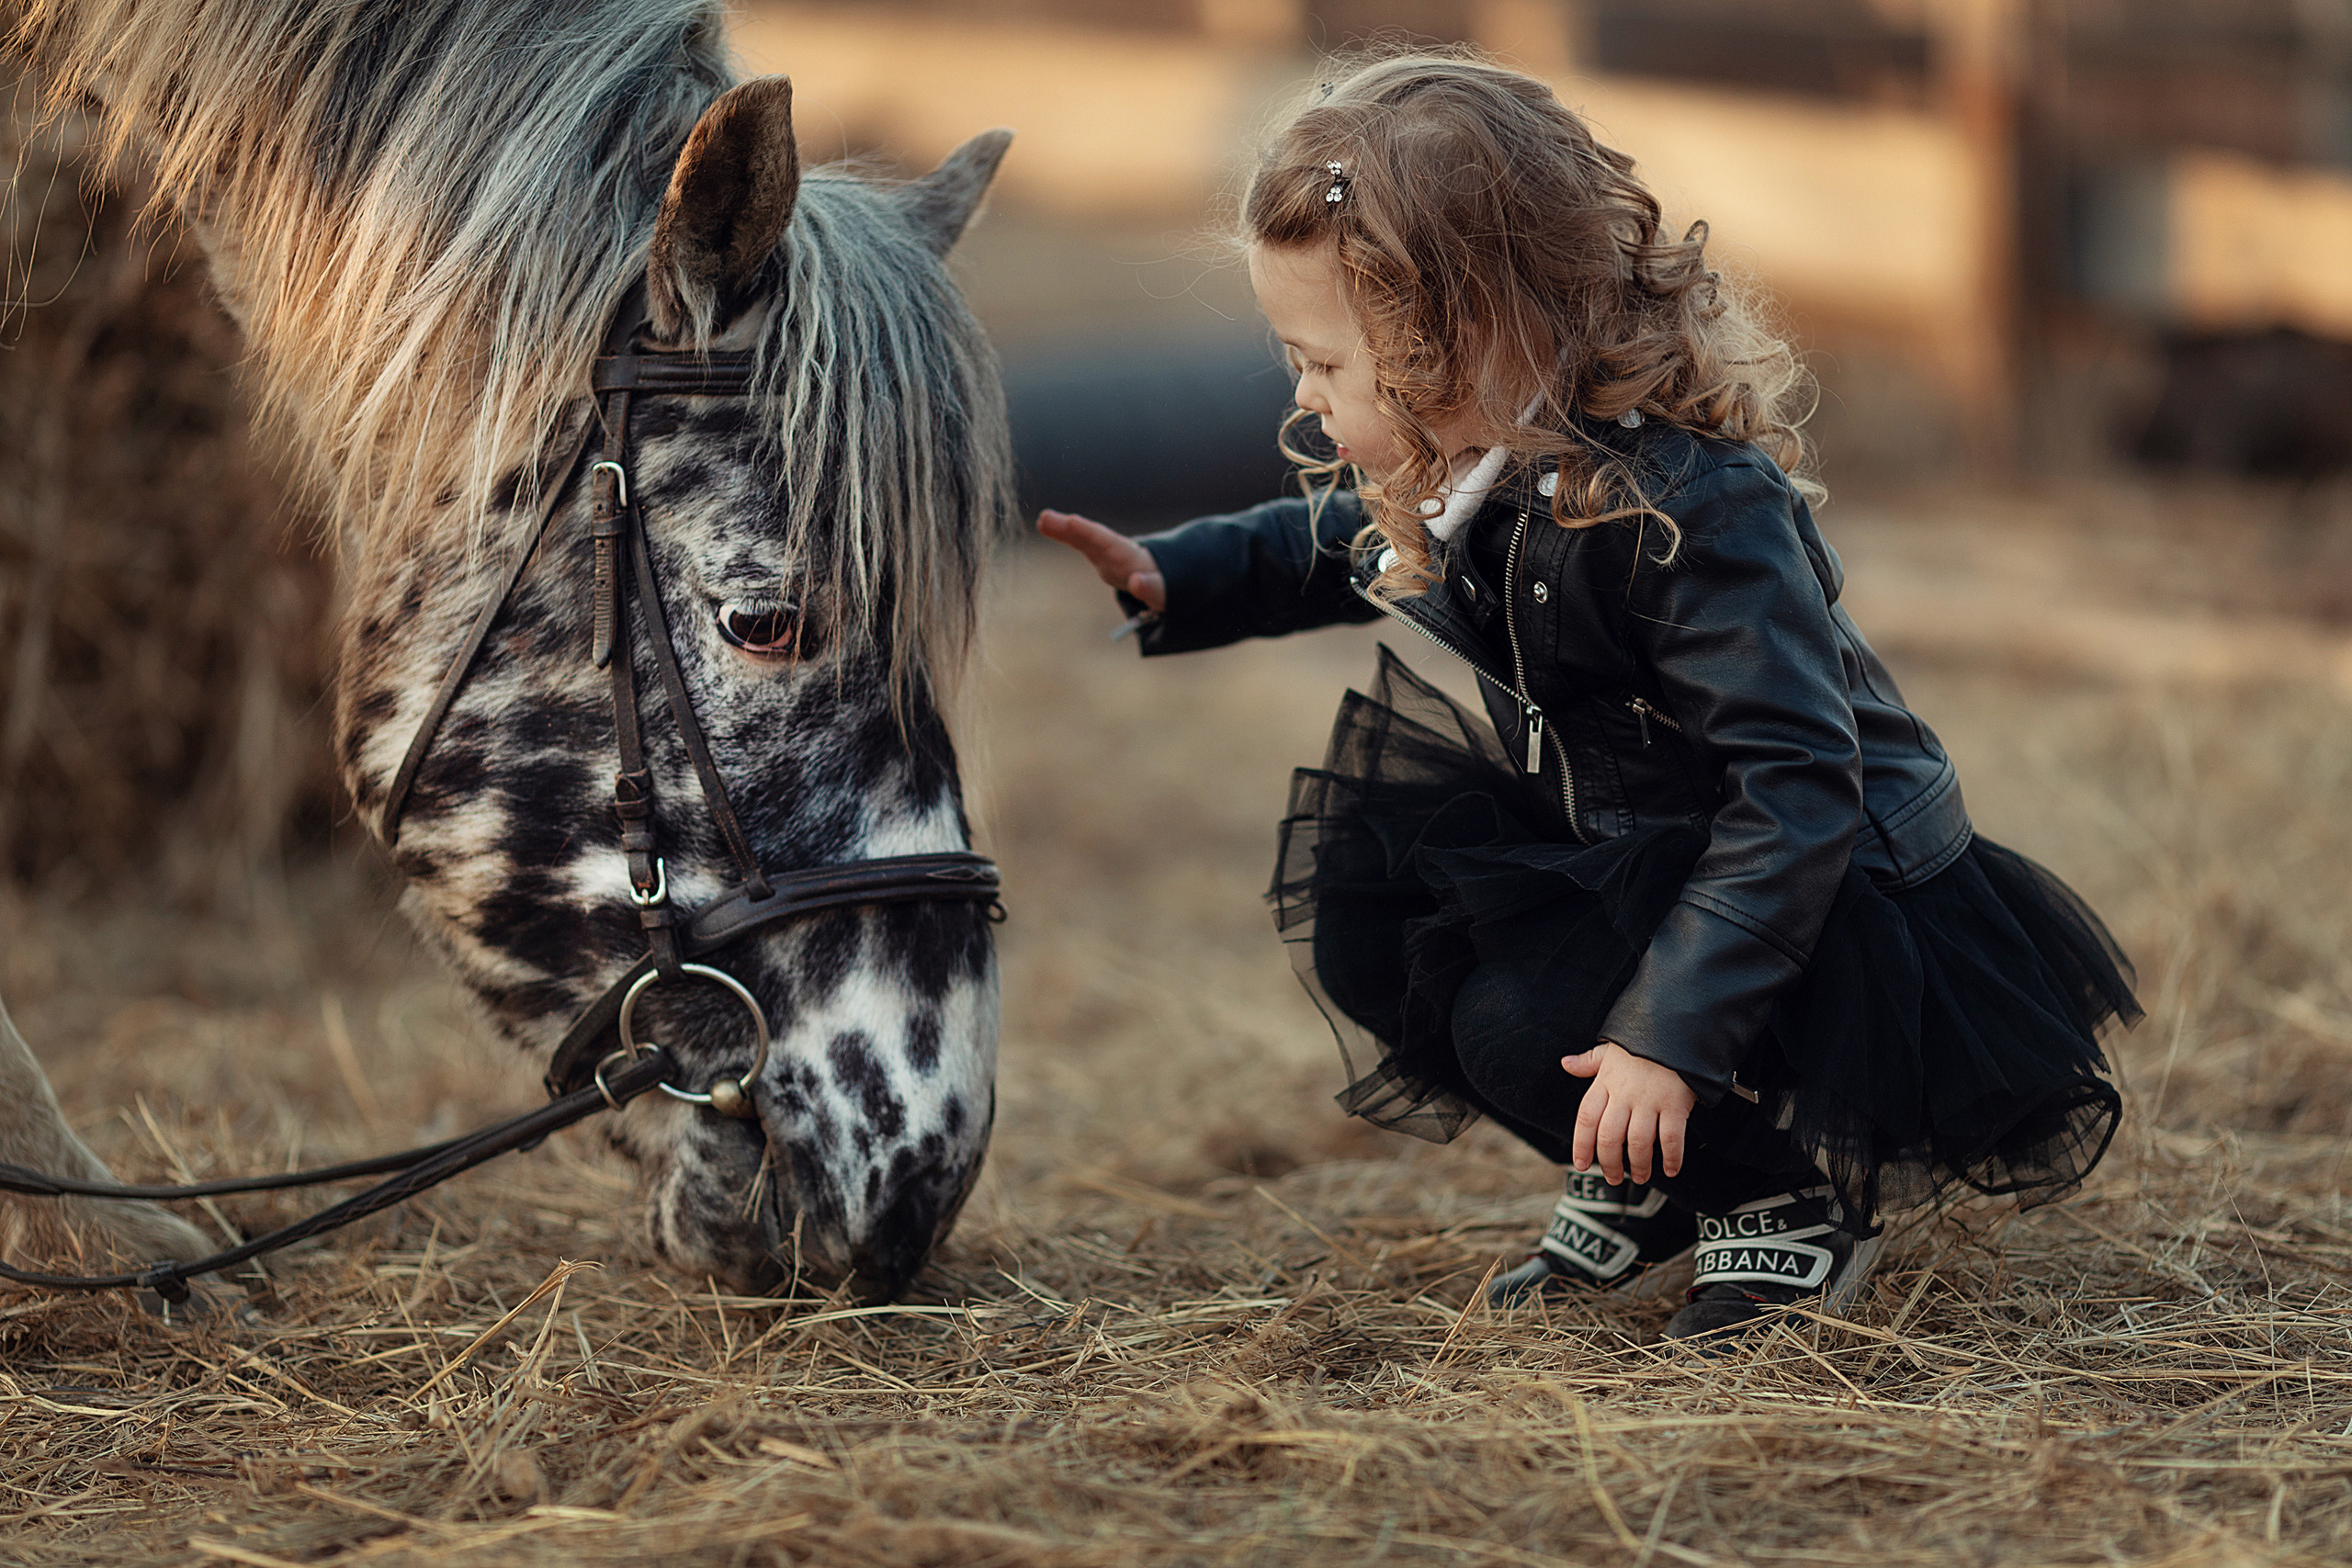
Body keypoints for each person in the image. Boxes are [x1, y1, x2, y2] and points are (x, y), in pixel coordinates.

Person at [1038, 51, 2138, 1342]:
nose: (1300, 393)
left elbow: (1795, 788)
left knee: (1517, 1029)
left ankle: (1778, 1201)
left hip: (1825, 894)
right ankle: (1659, 1189)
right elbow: (1344, 541)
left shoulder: (1693, 509)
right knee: (1373, 937)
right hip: (1642, 851)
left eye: (1322, 361)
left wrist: (1668, 1041)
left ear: (1466, 334)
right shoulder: (1478, 455)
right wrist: (1186, 577)